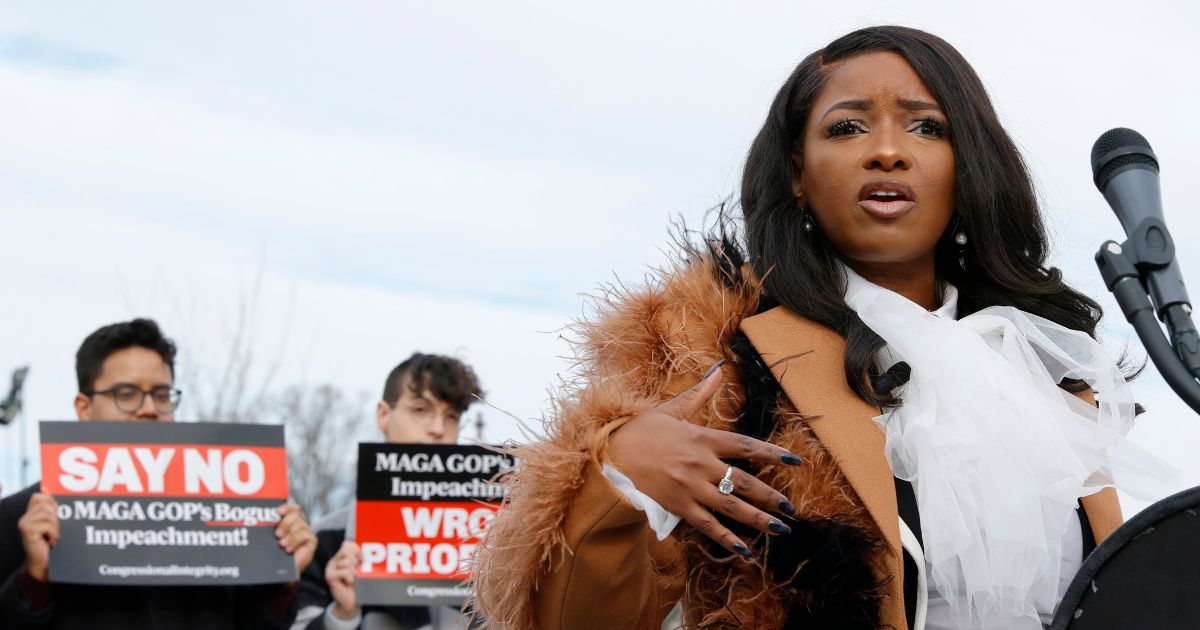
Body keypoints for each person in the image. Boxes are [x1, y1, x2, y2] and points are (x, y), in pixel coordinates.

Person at [469, 26, 1173, 630]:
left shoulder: (1042, 370)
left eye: (927, 126)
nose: (888, 151)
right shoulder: (715, 355)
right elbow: (565, 617)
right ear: (797, 174)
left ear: (968, 169)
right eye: (847, 126)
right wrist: (621, 478)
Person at [0, 318, 317, 629]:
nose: (150, 407)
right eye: (126, 394)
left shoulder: (227, 513)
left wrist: (281, 581)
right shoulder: (24, 520)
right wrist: (35, 578)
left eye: (162, 395)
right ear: (84, 408)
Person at [294, 352, 485, 630]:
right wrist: (341, 615)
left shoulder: (487, 545)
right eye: (421, 409)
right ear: (384, 415)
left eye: (452, 416)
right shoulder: (326, 538)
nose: (438, 429)